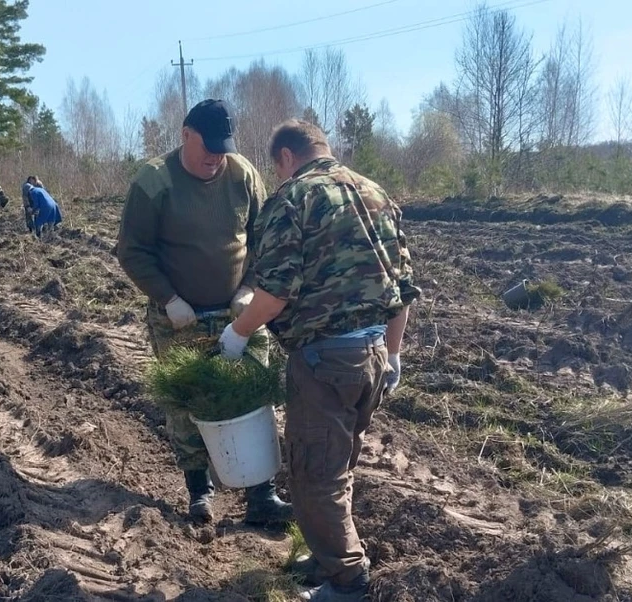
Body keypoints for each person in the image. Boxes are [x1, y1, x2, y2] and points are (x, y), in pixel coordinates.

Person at [218, 120, 419, 602]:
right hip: (371, 356)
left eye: (277, 167)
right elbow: (404, 288)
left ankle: (348, 584)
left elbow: (277, 292)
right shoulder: (374, 193)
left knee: (314, 475)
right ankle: (327, 554)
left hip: (325, 359)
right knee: (339, 464)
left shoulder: (293, 199)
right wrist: (392, 353)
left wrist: (237, 332)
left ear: (286, 156)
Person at [116, 99, 293, 526]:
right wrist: (168, 298)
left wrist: (249, 289)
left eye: (222, 149)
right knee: (188, 404)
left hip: (241, 314)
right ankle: (200, 491)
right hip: (181, 317)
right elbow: (132, 251)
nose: (215, 157)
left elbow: (264, 240)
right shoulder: (155, 182)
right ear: (185, 135)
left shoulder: (242, 175)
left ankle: (261, 495)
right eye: (207, 148)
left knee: (252, 396)